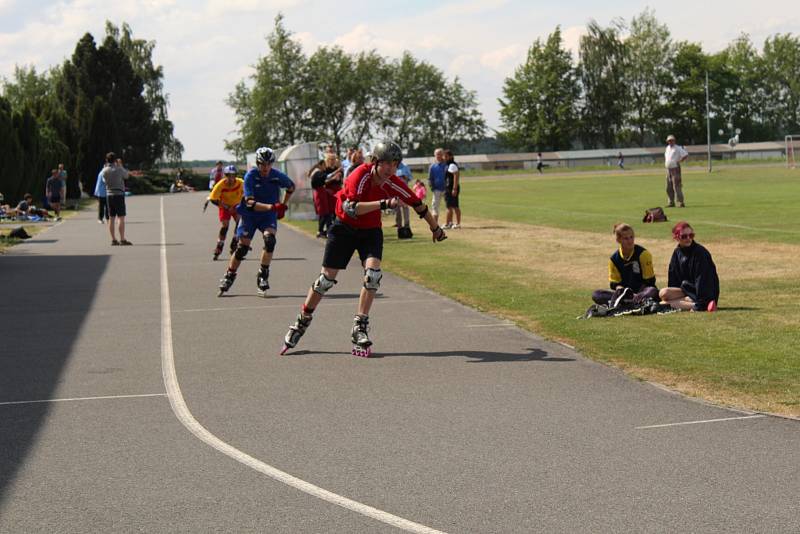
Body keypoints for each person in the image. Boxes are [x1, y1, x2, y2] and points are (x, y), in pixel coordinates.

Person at [281, 141, 447, 357]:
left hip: (370, 231)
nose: (391, 169)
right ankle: (302, 321)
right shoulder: (361, 174)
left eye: (395, 164)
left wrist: (435, 228)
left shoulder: (393, 182)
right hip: (344, 228)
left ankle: (359, 326)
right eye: (386, 163)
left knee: (373, 276)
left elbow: (418, 205)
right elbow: (352, 209)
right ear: (376, 162)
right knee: (325, 281)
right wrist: (384, 204)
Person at [217, 147, 295, 297]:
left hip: (268, 216)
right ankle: (229, 275)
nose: (265, 168)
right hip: (250, 215)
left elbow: (291, 186)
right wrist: (273, 206)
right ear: (257, 163)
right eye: (262, 164)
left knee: (270, 241)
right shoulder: (250, 176)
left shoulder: (276, 175)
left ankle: (263, 275)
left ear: (272, 164)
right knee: (242, 248)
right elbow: (250, 203)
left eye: (268, 164)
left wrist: (283, 205)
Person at [591, 223, 659, 309]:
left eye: (631, 237)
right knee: (596, 294)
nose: (630, 241)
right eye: (626, 238)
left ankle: (627, 303)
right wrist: (623, 292)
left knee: (652, 291)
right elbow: (615, 284)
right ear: (618, 240)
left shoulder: (644, 254)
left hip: (642, 291)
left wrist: (637, 295)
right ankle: (633, 303)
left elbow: (649, 281)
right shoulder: (614, 259)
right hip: (625, 294)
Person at [659, 221, 719, 312]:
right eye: (684, 236)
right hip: (687, 290)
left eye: (691, 235)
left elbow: (703, 280)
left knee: (663, 304)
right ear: (676, 238)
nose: (688, 238)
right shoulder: (677, 253)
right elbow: (673, 278)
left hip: (704, 293)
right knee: (663, 293)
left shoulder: (700, 253)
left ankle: (701, 305)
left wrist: (700, 303)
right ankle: (686, 301)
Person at [207, 165, 244, 260]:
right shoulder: (220, 184)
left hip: (237, 205)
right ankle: (219, 246)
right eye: (228, 175)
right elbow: (213, 199)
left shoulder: (240, 183)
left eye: (233, 175)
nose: (231, 178)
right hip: (224, 206)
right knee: (225, 226)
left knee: (240, 223)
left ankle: (235, 244)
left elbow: (248, 194)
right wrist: (226, 207)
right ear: (225, 175)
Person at [101, 152, 132, 246]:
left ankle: (113, 239)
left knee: (111, 218)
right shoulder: (119, 169)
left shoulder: (105, 170)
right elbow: (127, 175)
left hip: (109, 194)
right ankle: (122, 239)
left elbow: (103, 180)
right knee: (121, 217)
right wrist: (121, 166)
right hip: (119, 194)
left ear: (107, 160)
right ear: (115, 160)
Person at [309, 153, 343, 238]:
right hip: (328, 192)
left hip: (337, 192)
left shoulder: (337, 169)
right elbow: (324, 180)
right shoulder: (325, 170)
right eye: (330, 159)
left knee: (336, 211)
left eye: (333, 159)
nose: (332, 161)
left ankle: (333, 229)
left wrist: (339, 178)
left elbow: (340, 181)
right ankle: (325, 230)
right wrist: (333, 178)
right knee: (327, 213)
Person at [664, 134, 689, 207]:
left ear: (674, 141)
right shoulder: (667, 148)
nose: (670, 142)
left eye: (672, 140)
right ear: (667, 141)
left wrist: (679, 161)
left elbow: (685, 155)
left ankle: (681, 202)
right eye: (669, 140)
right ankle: (671, 202)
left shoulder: (678, 148)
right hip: (668, 169)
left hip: (675, 169)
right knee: (668, 187)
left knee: (677, 186)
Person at [394, 160, 413, 239]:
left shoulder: (405, 166)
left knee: (405, 208)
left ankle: (407, 227)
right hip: (394, 191)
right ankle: (399, 228)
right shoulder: (392, 167)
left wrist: (405, 177)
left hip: (404, 191)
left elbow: (410, 177)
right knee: (397, 209)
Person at [443, 149, 461, 229]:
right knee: (452, 206)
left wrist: (454, 188)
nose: (444, 158)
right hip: (449, 188)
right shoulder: (448, 164)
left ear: (451, 156)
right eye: (444, 156)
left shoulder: (452, 165)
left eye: (446, 156)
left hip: (451, 188)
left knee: (451, 207)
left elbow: (456, 175)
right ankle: (451, 223)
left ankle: (449, 224)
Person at [427, 148, 447, 223]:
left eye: (440, 154)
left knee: (449, 206)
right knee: (435, 206)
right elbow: (430, 178)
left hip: (446, 189)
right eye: (437, 154)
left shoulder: (446, 165)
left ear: (442, 155)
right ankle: (435, 223)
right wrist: (432, 187)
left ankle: (449, 222)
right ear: (434, 155)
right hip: (436, 190)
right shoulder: (432, 166)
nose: (438, 156)